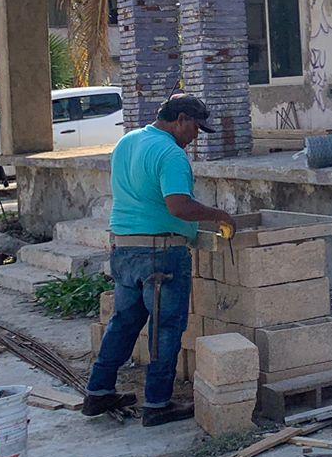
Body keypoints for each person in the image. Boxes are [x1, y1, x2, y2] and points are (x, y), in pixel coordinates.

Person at [83, 94, 236, 426]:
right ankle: (157, 404)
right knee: (166, 328)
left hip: (123, 247)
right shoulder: (171, 154)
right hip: (161, 253)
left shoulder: (128, 142)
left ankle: (98, 391)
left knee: (123, 322)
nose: (196, 136)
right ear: (180, 119)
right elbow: (178, 206)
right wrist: (217, 214)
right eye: (195, 127)